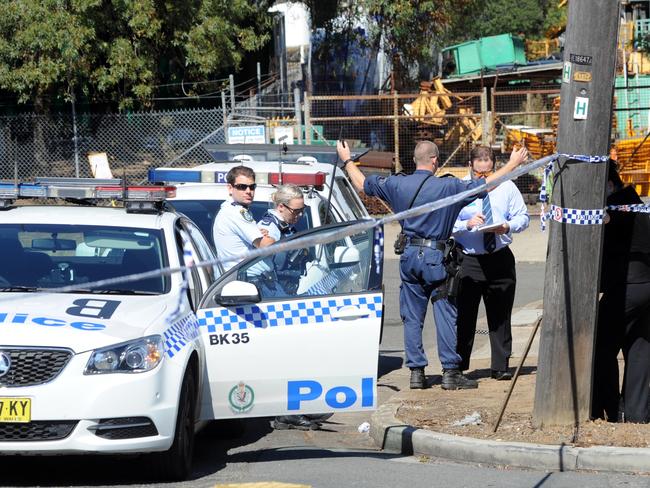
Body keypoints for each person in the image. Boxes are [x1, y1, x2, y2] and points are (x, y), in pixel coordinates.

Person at [337, 139, 528, 390]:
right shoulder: (448, 186)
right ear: (436, 160)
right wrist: (513, 164)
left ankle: (417, 372)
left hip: (408, 256)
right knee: (446, 313)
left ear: (415, 160)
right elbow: (488, 184)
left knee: (413, 317)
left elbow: (362, 184)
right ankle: (450, 372)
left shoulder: (396, 183)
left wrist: (347, 160)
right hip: (436, 257)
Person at [452, 146, 530, 381]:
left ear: (494, 166)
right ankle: (458, 365)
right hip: (468, 257)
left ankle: (500, 365)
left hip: (499, 257)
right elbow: (447, 222)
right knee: (465, 314)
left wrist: (506, 226)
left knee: (500, 314)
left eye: (488, 172)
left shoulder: (507, 187)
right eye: (479, 174)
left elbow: (523, 217)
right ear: (470, 166)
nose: (484, 178)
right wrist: (466, 224)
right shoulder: (460, 188)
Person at [592, 161, 650, 423]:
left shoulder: (615, 211)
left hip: (626, 285)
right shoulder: (638, 205)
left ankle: (610, 410)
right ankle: (638, 414)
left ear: (609, 185)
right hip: (645, 286)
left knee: (601, 346)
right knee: (639, 348)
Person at [212, 166, 275, 271]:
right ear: (230, 188)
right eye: (242, 187)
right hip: (246, 281)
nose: (248, 191)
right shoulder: (235, 212)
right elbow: (266, 245)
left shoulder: (232, 210)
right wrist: (274, 238)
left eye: (252, 187)